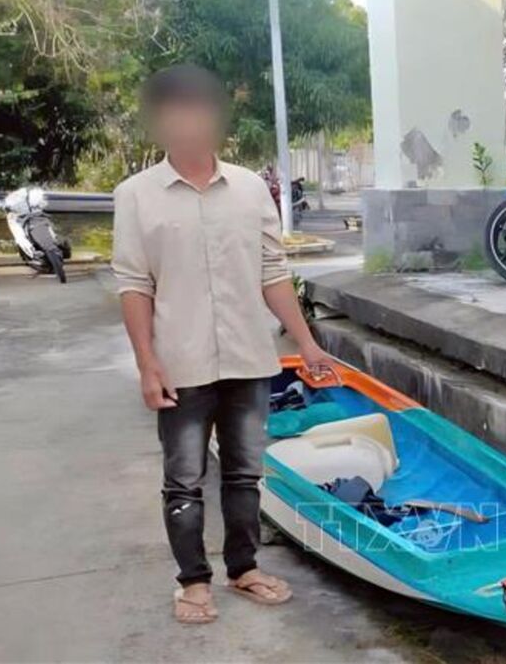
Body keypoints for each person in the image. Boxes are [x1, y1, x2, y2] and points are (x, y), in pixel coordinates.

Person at [112, 64, 333, 624]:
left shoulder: (251, 189)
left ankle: (243, 569)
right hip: (180, 364)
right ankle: (193, 582)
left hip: (248, 359)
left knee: (244, 474)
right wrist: (147, 364)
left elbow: (272, 273)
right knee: (184, 480)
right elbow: (134, 285)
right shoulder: (136, 196)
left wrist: (307, 344)